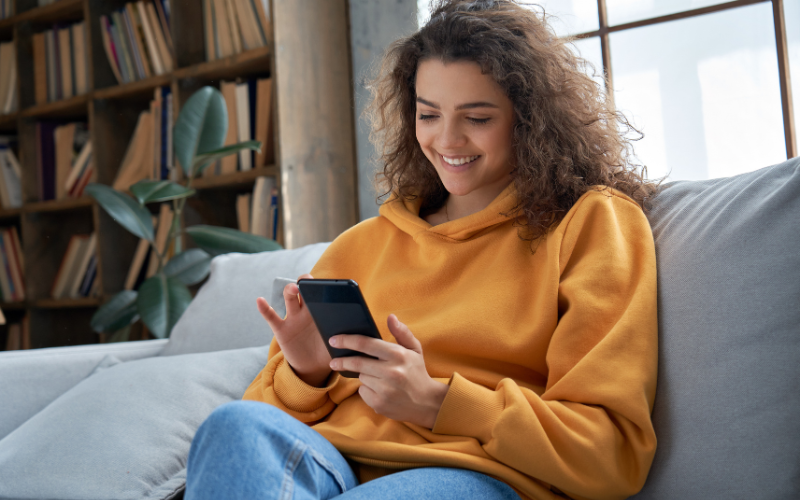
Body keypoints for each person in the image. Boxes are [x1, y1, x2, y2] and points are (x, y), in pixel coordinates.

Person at [184, 1, 659, 499]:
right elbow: (267, 428)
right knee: (233, 426)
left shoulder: (590, 223)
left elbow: (610, 452)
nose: (447, 139)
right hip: (332, 463)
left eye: (476, 117)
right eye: (428, 114)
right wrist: (308, 372)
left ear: (531, 119)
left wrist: (436, 401)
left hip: (475, 474)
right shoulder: (363, 244)